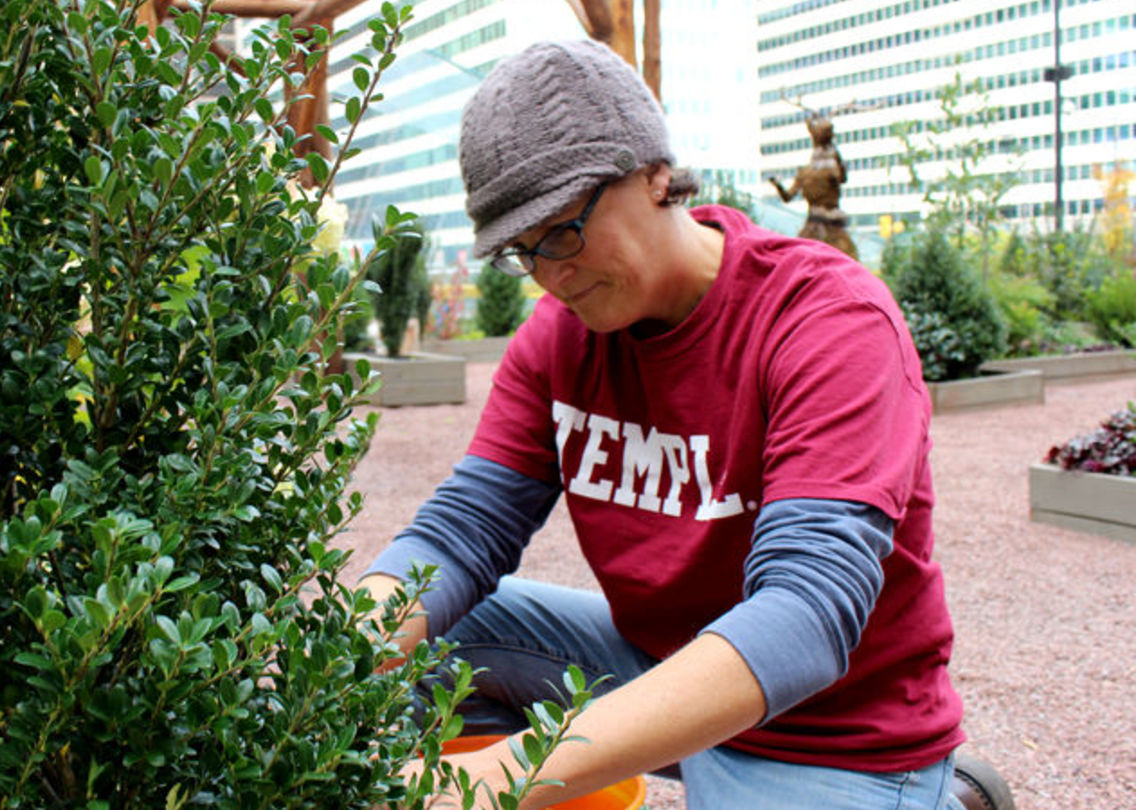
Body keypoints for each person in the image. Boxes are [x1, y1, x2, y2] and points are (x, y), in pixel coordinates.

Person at [359, 40, 1010, 810]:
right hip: (663, 664)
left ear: (654, 173)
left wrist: (500, 777)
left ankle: (930, 796)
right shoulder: (557, 341)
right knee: (432, 634)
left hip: (834, 729)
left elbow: (805, 616)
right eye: (521, 252)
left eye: (564, 231)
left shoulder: (825, 318)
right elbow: (458, 537)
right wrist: (327, 669)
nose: (551, 275)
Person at [767, 114, 860, 260]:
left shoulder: (828, 166)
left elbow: (841, 178)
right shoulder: (807, 172)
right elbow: (787, 197)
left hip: (830, 226)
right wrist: (778, 185)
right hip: (815, 226)